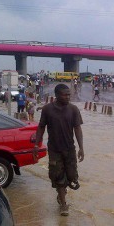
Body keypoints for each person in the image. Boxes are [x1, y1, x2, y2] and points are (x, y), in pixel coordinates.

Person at [34, 84, 84, 216]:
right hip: (55, 150)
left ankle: (62, 192)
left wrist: (81, 148)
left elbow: (77, 129)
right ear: (56, 95)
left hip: (69, 149)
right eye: (65, 94)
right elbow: (41, 127)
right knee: (58, 177)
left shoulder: (73, 109)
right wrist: (36, 145)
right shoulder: (47, 109)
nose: (68, 97)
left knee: (72, 177)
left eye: (69, 94)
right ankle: (63, 204)